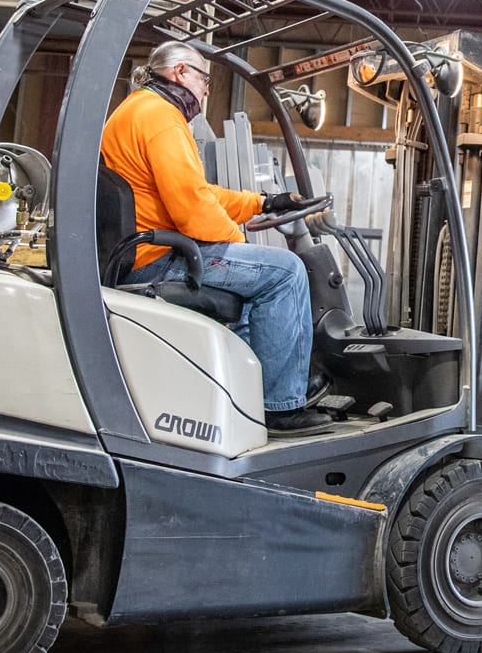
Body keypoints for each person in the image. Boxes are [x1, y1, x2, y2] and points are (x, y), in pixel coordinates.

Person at [100, 41, 332, 436]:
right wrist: (236, 245)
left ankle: (249, 389)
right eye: (204, 79)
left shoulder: (136, 110)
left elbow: (199, 191)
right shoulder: (162, 118)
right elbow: (192, 208)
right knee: (287, 272)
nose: (207, 90)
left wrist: (264, 201)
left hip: (142, 249)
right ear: (180, 73)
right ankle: (279, 406)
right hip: (160, 256)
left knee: (253, 286)